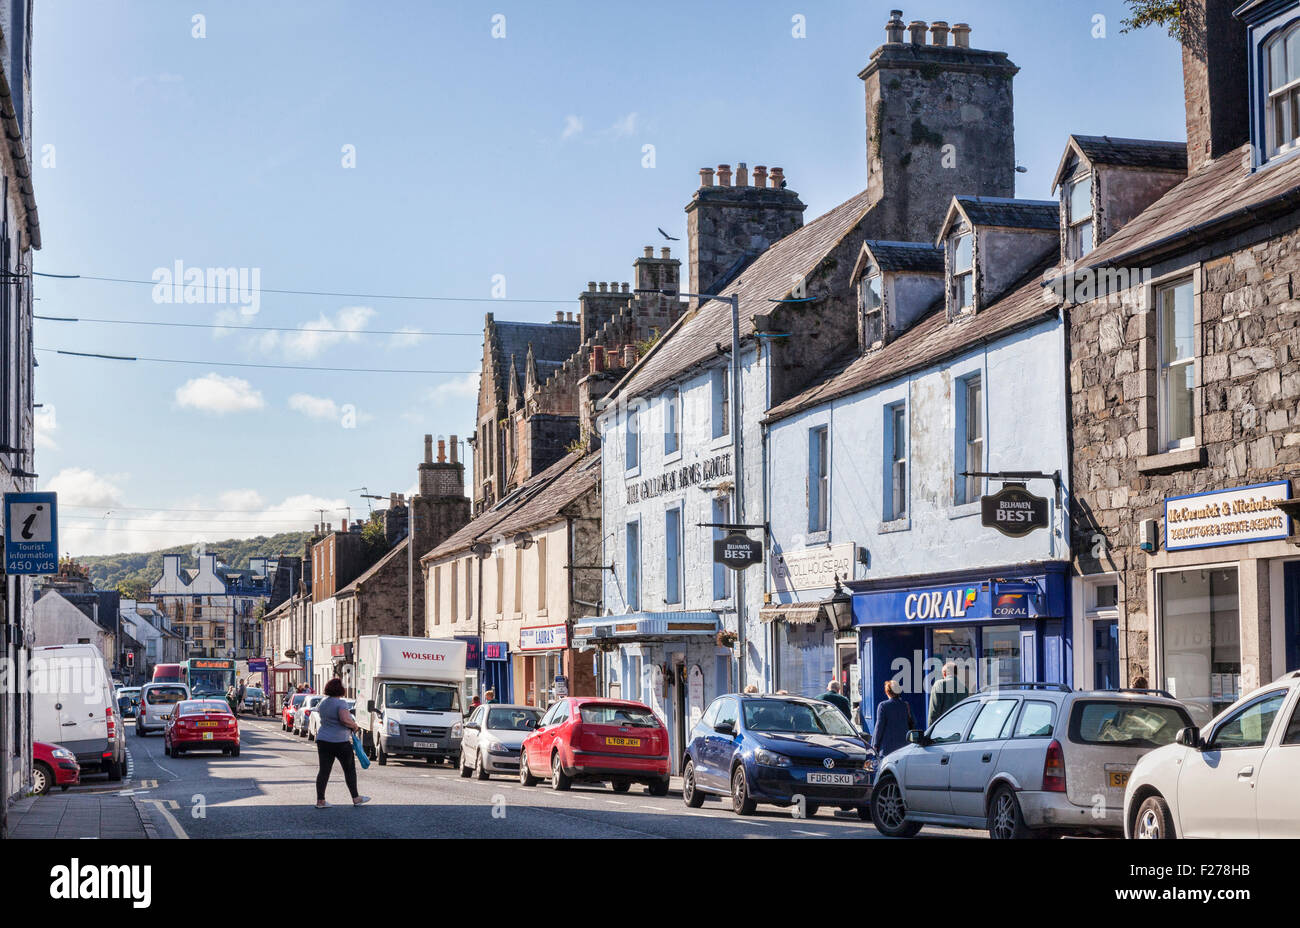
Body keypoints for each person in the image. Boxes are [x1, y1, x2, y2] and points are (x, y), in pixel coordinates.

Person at [314, 677, 370, 808]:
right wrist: (354, 726)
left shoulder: (323, 703)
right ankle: (356, 798)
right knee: (349, 769)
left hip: (323, 740)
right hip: (340, 741)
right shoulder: (341, 703)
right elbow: (344, 719)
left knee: (324, 771)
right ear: (341, 689)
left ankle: (320, 800)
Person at [871, 680, 915, 759]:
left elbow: (879, 727)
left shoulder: (883, 706)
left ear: (887, 692)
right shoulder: (906, 705)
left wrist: (875, 745)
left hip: (887, 749)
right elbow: (914, 723)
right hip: (904, 747)